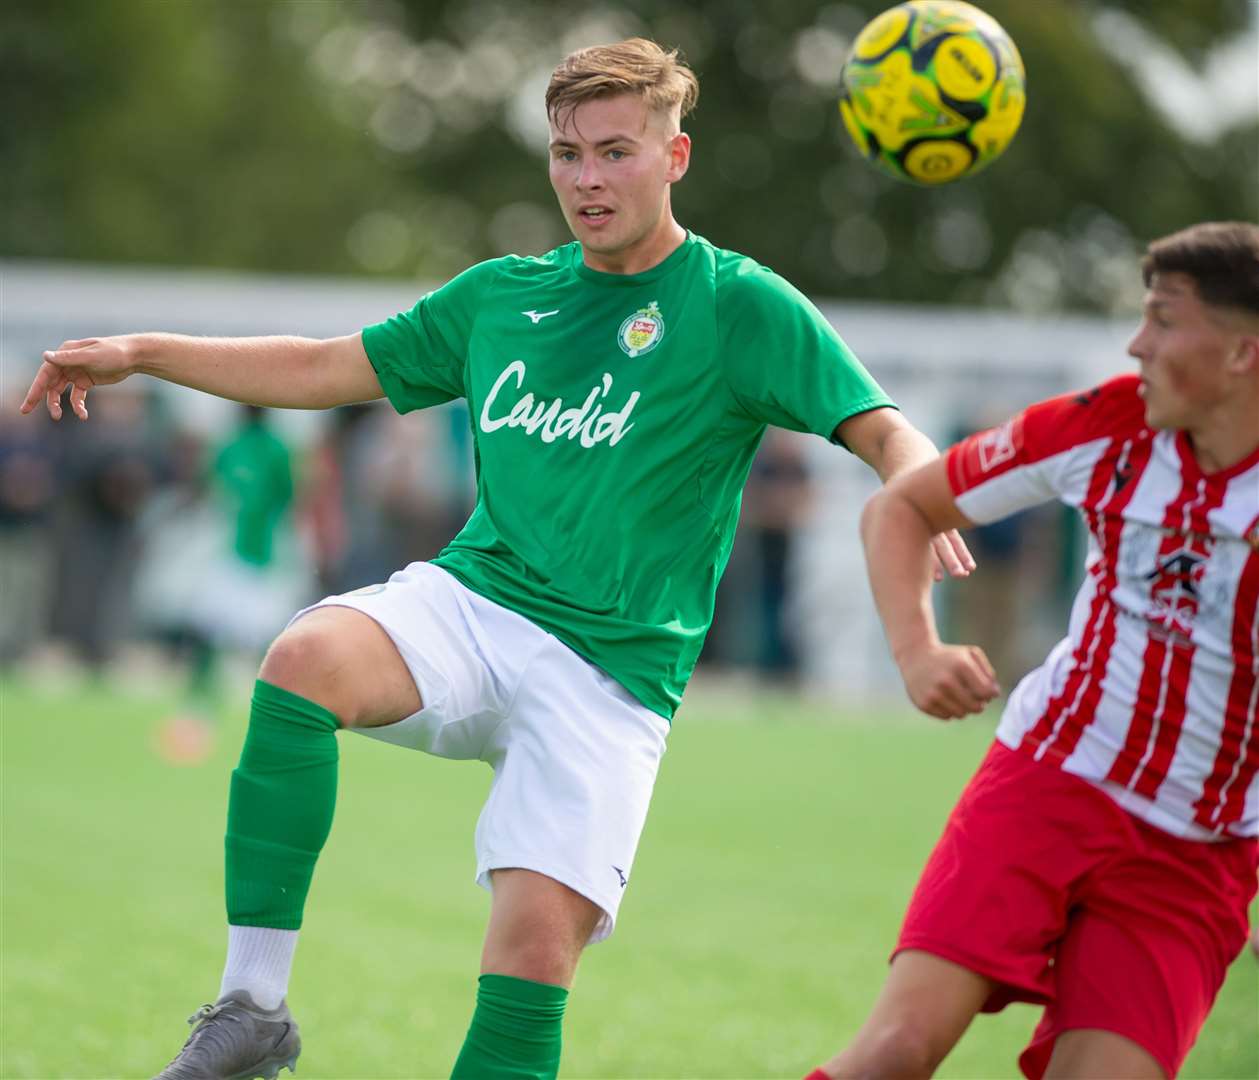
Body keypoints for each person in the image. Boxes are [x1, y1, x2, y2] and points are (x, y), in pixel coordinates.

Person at [23, 40, 971, 1080]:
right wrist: (141, 351)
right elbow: (322, 365)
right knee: (301, 660)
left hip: (612, 676)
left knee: (528, 956)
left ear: (674, 156)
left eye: (615, 152)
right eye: (567, 155)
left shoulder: (737, 303)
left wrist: (919, 499)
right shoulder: (499, 296)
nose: (587, 180)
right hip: (474, 607)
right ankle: (252, 1006)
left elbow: (885, 431)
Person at [805, 221, 1259, 1080]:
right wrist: (916, 653)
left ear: (1241, 353)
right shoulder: (1106, 427)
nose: (1136, 343)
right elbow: (900, 507)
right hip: (1050, 780)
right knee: (897, 1050)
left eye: (1163, 320)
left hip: (1197, 849)